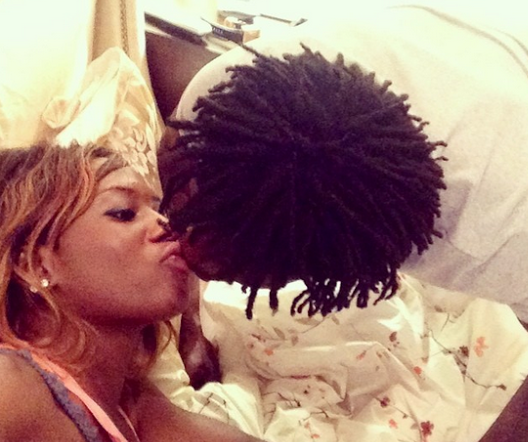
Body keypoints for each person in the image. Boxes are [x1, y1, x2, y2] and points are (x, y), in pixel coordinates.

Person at [157, 1, 528, 321]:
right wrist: (189, 316)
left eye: (240, 268)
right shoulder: (220, 95)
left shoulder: (503, 241)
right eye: (183, 214)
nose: (180, 247)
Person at [0, 141, 286, 442]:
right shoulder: (12, 388)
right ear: (36, 264)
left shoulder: (129, 407)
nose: (167, 225)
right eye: (124, 213)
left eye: (159, 210)